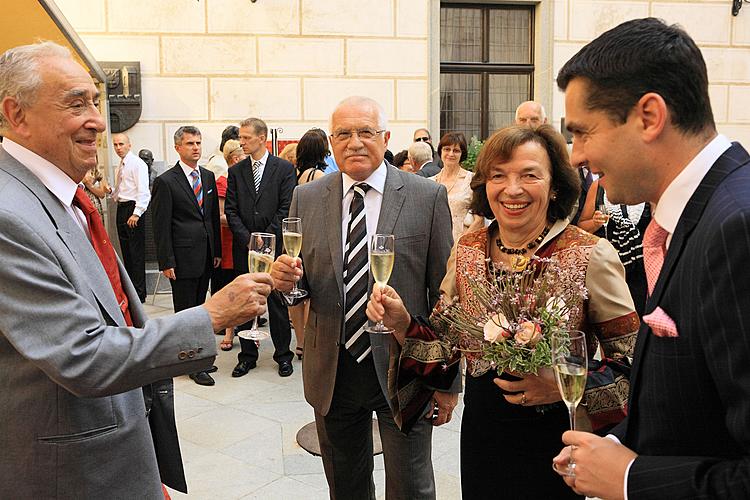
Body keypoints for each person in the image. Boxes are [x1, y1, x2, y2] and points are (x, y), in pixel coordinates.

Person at [0, 41, 273, 498]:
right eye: (75, 103)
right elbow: (83, 355)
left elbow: (119, 314)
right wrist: (210, 317)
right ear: (17, 113)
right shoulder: (10, 213)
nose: (96, 120)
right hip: (74, 473)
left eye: (93, 100)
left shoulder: (60, 194)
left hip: (118, 451)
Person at [368, 125, 639, 499]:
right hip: (484, 433)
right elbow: (445, 346)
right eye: (498, 175)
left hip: (557, 442)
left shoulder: (590, 254)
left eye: (529, 175)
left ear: (555, 184)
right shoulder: (468, 250)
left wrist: (561, 384)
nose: (512, 189)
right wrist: (401, 323)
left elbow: (636, 364)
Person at [552, 17, 750, 499]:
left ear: (649, 116)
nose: (575, 156)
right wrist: (618, 447)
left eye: (582, 133)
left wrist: (629, 480)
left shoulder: (737, 227)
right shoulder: (693, 213)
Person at [271, 96, 458, 499]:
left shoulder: (426, 197)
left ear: (385, 138)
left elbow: (446, 299)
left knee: (412, 486)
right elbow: (305, 284)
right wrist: (288, 285)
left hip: (403, 366)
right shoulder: (308, 197)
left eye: (366, 132)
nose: (355, 142)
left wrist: (448, 380)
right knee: (346, 487)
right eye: (343, 134)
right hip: (333, 372)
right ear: (331, 142)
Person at [225, 117, 296, 378]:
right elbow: (231, 211)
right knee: (245, 299)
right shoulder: (236, 171)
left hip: (275, 248)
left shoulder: (284, 169)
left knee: (277, 302)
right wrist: (250, 241)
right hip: (245, 248)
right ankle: (247, 356)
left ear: (262, 138)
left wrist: (266, 240)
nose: (241, 142)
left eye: (245, 137)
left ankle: (283, 355)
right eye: (240, 137)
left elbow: (286, 208)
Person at [151, 126, 222, 386]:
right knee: (185, 312)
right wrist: (166, 261)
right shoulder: (166, 181)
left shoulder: (208, 176)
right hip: (181, 259)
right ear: (178, 147)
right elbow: (161, 224)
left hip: (205, 255)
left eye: (199, 143)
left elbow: (212, 217)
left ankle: (201, 358)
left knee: (201, 310)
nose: (196, 147)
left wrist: (217, 251)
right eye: (190, 143)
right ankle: (188, 362)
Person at [578, 179, 651, 317]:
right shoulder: (598, 186)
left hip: (638, 268)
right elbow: (581, 226)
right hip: (606, 265)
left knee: (637, 313)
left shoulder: (646, 185)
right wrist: (594, 223)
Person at [214, 139, 246, 351]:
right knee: (230, 286)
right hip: (228, 241)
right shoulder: (223, 182)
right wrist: (241, 221)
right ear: (235, 158)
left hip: (241, 239)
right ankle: (228, 332)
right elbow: (220, 216)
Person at [112, 132, 151, 302]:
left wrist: (137, 212)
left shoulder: (137, 164)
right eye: (115, 145)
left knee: (136, 253)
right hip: (121, 207)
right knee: (126, 252)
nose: (118, 148)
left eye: (121, 144)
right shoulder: (121, 164)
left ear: (129, 145)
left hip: (132, 210)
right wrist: (111, 193)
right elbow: (123, 188)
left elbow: (144, 191)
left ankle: (139, 293)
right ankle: (132, 291)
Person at [430, 132, 484, 242]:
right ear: (440, 151)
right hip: (436, 245)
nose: (451, 154)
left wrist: (461, 245)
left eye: (456, 150)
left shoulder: (472, 181)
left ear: (462, 154)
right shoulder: (430, 182)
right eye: (447, 149)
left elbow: (479, 221)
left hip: (464, 244)